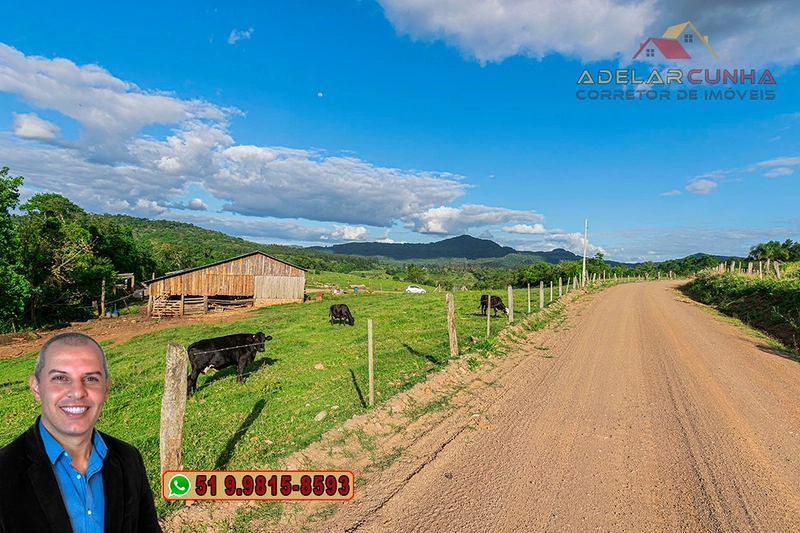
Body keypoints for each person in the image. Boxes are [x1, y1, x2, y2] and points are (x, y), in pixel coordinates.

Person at [0, 331, 162, 533]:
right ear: (36, 387)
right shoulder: (4, 471)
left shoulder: (129, 458)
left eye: (91, 378)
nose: (77, 392)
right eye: (60, 378)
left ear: (106, 388)